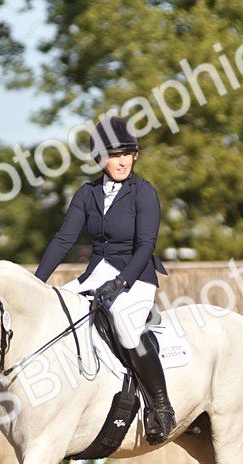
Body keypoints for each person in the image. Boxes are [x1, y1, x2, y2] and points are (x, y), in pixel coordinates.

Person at [35, 116, 177, 444]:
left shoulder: (144, 193)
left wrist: (122, 282)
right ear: (99, 159)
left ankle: (161, 406)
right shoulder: (87, 194)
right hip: (97, 272)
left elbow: (146, 246)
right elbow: (62, 240)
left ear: (135, 155)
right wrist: (38, 284)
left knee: (126, 324)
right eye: (114, 155)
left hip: (136, 274)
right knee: (58, 312)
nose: (122, 160)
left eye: (128, 153)